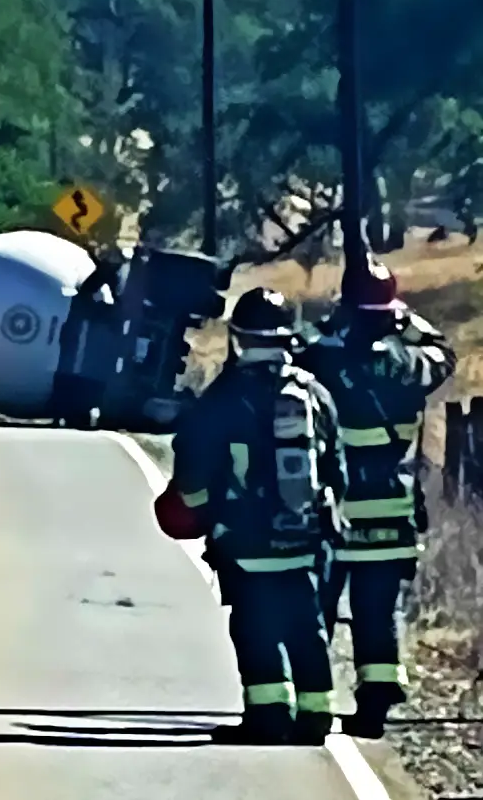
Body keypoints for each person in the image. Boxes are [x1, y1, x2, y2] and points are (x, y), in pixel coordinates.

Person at [159, 286, 347, 745]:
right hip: (305, 542)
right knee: (306, 627)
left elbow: (193, 473)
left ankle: (268, 717)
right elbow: (337, 470)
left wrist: (204, 519)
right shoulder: (314, 394)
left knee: (255, 626)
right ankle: (316, 715)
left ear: (238, 337)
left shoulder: (223, 399)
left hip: (245, 543)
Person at [296, 254, 457, 738]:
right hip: (392, 509)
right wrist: (404, 320)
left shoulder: (320, 357)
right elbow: (443, 352)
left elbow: (296, 349)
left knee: (316, 609)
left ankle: (310, 704)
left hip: (333, 511)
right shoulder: (411, 363)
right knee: (378, 609)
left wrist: (335, 321)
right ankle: (375, 701)